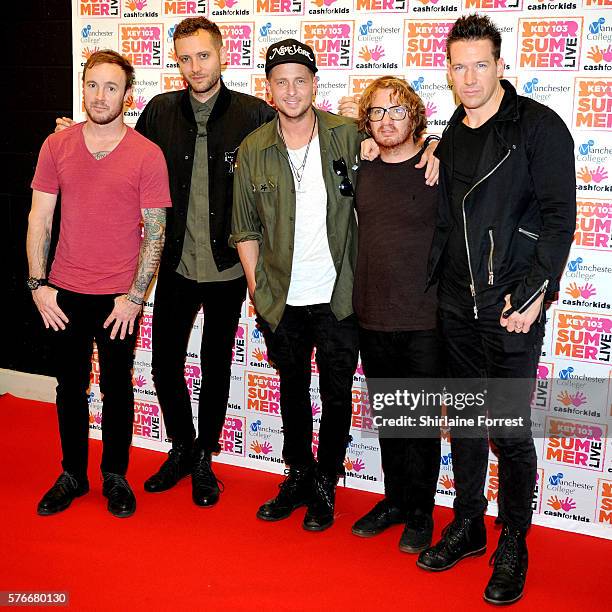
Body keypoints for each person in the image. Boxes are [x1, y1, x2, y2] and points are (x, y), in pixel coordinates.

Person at [56, 18, 276, 507]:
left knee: (218, 365)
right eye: (184, 58)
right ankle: (180, 446)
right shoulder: (158, 111)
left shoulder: (254, 114)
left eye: (203, 55)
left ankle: (203, 459)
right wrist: (73, 131)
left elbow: (302, 135)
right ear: (175, 61)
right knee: (162, 364)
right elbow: (116, 147)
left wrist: (361, 131)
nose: (194, 66)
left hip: (227, 267)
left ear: (223, 55)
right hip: (172, 264)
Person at [417, 15, 576, 605]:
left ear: (502, 66)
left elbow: (560, 219)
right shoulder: (452, 131)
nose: (469, 77)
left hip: (510, 304)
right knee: (462, 422)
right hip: (456, 302)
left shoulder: (538, 126)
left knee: (507, 431)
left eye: (480, 64)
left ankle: (513, 540)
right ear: (449, 72)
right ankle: (467, 523)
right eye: (458, 67)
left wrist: (535, 295)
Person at [29, 50, 171, 518]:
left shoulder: (147, 155)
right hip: (63, 294)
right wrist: (37, 284)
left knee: (117, 388)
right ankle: (72, 473)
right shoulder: (57, 146)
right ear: (83, 87)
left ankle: (115, 475)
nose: (101, 95)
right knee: (68, 386)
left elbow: (156, 232)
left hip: (118, 301)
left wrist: (134, 296)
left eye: (112, 87)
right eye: (93, 85)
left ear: (127, 95)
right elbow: (39, 219)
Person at [231, 38, 363, 532]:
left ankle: (326, 479)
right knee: (291, 389)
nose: (291, 90)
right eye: (281, 82)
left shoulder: (348, 135)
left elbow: (402, 147)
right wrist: (257, 290)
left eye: (300, 80)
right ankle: (298, 473)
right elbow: (244, 227)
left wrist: (432, 147)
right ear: (269, 90)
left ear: (314, 84)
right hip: (281, 298)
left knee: (335, 391)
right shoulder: (254, 148)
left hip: (339, 297)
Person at [349, 77, 442, 554]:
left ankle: (422, 512)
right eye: (378, 113)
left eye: (397, 111)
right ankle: (395, 502)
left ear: (416, 119)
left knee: (421, 421)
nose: (387, 121)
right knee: (391, 418)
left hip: (425, 317)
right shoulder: (359, 167)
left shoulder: (436, 168)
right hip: (371, 313)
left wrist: (439, 148)